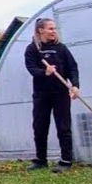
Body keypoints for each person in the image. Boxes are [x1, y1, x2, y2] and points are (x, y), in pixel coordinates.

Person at [23, 17, 80, 171]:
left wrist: (75, 85)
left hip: (60, 93)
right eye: (50, 28)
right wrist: (45, 72)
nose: (54, 31)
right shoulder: (32, 49)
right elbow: (31, 69)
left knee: (63, 127)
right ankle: (41, 160)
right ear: (40, 30)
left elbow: (72, 68)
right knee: (40, 126)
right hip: (41, 95)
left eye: (54, 29)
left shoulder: (61, 48)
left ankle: (66, 161)